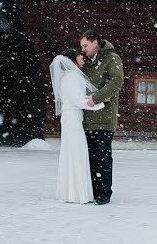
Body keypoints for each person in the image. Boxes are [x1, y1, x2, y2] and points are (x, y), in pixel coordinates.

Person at [49, 49, 105, 204]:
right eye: (80, 56)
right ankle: (78, 194)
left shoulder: (67, 77)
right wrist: (99, 104)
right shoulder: (72, 76)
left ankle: (70, 192)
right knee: (76, 153)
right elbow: (79, 100)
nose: (83, 58)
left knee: (71, 153)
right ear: (73, 59)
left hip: (70, 117)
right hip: (73, 117)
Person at [79, 29, 124, 205]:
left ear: (95, 43)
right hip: (87, 120)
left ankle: (104, 194)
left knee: (102, 157)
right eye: (81, 46)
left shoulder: (112, 59)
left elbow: (116, 82)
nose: (82, 49)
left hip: (104, 119)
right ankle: (92, 191)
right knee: (90, 158)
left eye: (85, 45)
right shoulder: (86, 62)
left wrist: (95, 98)